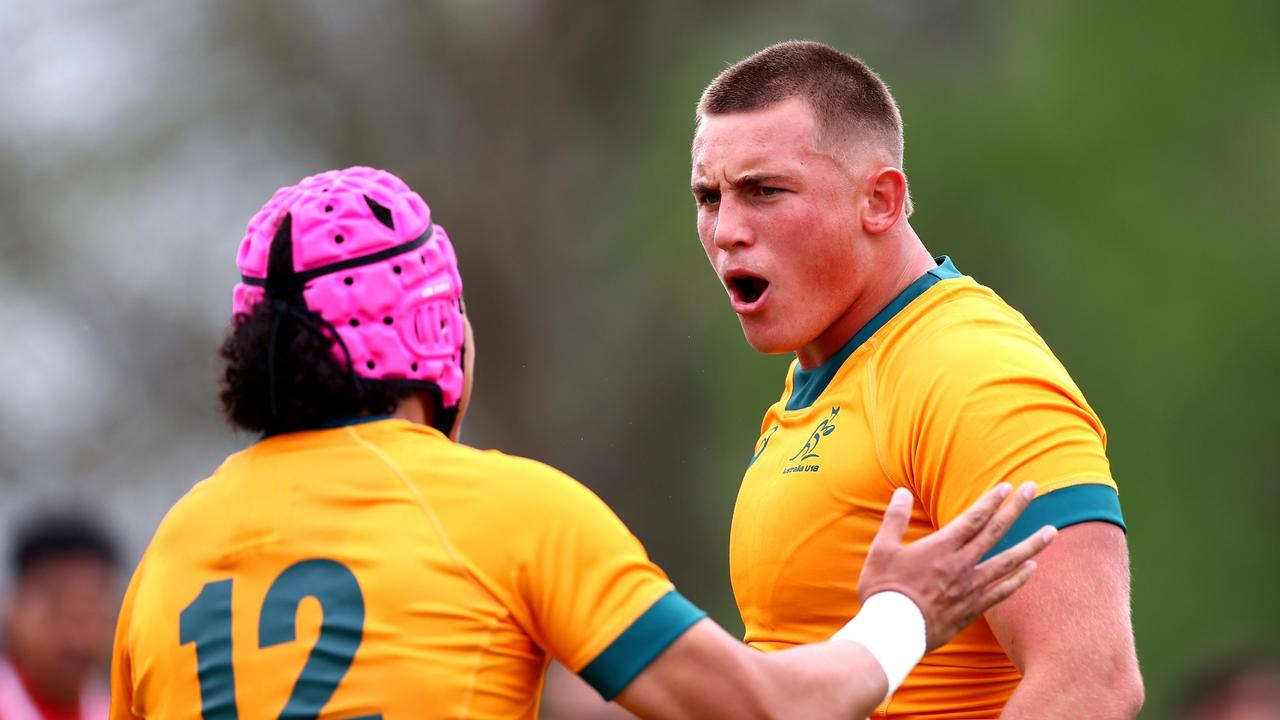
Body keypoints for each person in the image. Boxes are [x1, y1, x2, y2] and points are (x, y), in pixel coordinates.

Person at [109, 166, 1053, 719]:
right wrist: (903, 616)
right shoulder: (499, 509)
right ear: (432, 333)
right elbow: (765, 710)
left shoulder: (170, 555)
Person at [690, 41, 1144, 718]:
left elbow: (1092, 683)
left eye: (765, 191)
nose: (727, 230)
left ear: (879, 199)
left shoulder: (972, 370)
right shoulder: (826, 370)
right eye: (709, 196)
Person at [1, 512, 117, 720]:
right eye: (56, 607)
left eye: (90, 609)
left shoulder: (117, 712)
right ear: (15, 607)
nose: (75, 637)